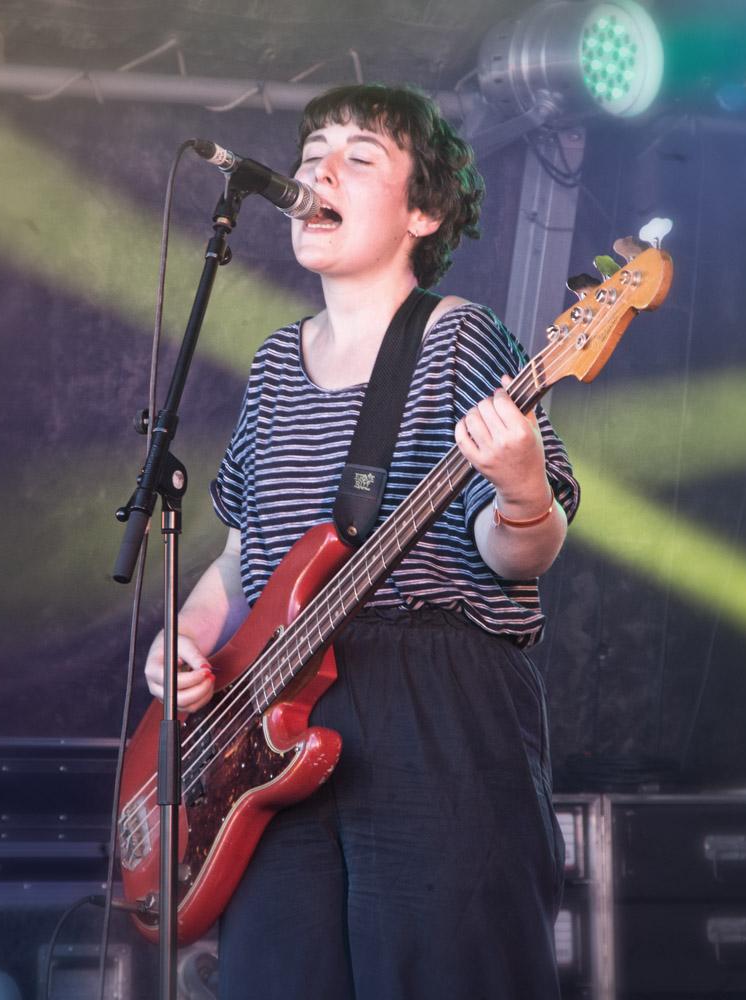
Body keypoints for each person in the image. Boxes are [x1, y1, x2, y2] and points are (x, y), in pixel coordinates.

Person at [144, 83, 579, 1000]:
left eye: (358, 156)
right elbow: (243, 555)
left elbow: (520, 555)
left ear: (423, 212)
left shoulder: (463, 340)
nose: (316, 172)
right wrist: (181, 641)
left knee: (449, 972)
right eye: (310, 156)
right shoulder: (271, 363)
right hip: (264, 711)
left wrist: (522, 486)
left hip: (429, 697)